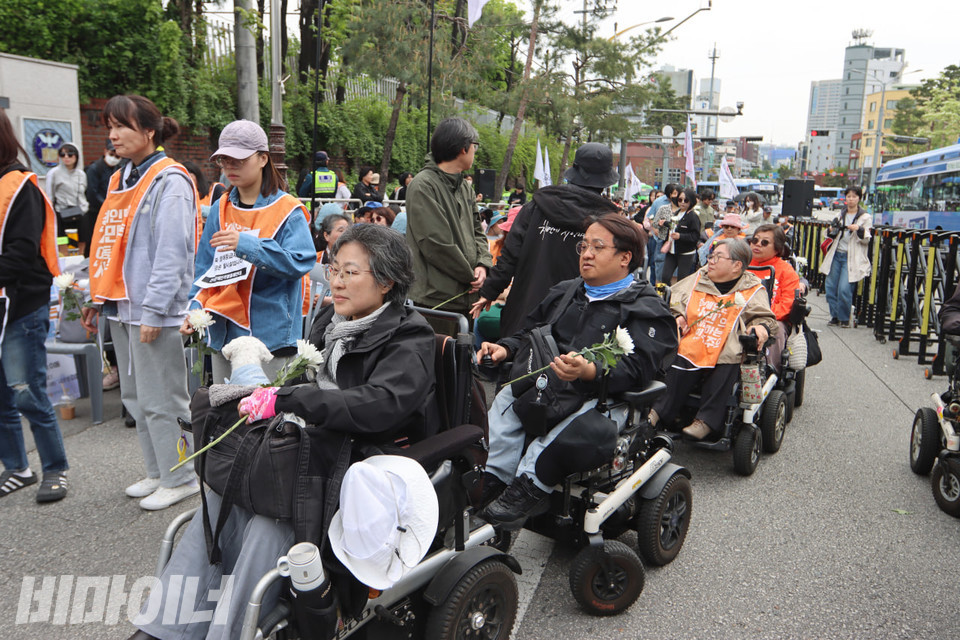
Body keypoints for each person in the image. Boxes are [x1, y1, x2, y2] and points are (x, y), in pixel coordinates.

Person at [128, 224, 438, 640]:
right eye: (334, 269)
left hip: (358, 456)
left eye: (350, 272)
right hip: (305, 444)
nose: (336, 282)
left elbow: (380, 404)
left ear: (386, 282)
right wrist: (276, 397)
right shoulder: (332, 318)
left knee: (272, 521)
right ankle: (166, 625)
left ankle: (231, 631)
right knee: (222, 496)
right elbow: (306, 382)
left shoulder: (410, 335)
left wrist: (291, 400)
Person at [476, 214, 677, 531]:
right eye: (584, 246)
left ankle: (528, 488)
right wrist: (506, 349)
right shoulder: (566, 291)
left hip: (604, 398)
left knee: (572, 427)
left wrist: (591, 370)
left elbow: (640, 367)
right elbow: (530, 331)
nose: (587, 254)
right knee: (505, 400)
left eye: (598, 247)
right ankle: (491, 482)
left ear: (625, 257)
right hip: (552, 386)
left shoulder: (646, 308)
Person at [80, 94, 200, 510]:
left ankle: (181, 475)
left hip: (153, 311)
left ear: (149, 131)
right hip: (120, 304)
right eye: (109, 126)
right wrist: (95, 296)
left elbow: (172, 252)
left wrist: (156, 309)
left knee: (165, 398)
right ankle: (158, 470)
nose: (112, 135)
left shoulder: (170, 180)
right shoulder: (121, 178)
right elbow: (107, 242)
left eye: (121, 126)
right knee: (137, 399)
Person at [185, 120, 316, 385]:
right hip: (224, 332)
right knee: (226, 405)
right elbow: (205, 269)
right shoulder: (221, 207)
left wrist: (246, 245)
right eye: (224, 159)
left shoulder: (288, 209)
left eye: (239, 159)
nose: (230, 166)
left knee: (266, 408)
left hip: (270, 337)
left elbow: (300, 262)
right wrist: (194, 308)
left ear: (263, 159)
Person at [469, 143, 620, 337]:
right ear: (606, 180)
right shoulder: (609, 222)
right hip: (577, 322)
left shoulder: (536, 207)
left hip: (524, 314)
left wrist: (490, 291)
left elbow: (509, 256)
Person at [0, 108, 70, 502]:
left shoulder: (20, 186)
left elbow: (22, 254)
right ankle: (17, 468)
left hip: (21, 306)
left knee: (27, 392)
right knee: (2, 397)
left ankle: (56, 469)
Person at [649, 239, 777, 440]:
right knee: (680, 355)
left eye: (718, 257)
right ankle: (657, 412)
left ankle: (706, 421)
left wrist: (760, 328)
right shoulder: (699, 278)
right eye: (710, 256)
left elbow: (765, 318)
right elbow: (673, 299)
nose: (711, 261)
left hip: (726, 343)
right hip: (695, 337)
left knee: (728, 357)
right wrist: (678, 316)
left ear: (736, 265)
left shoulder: (752, 288)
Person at [405, 117, 492, 315]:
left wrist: (483, 265)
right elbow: (435, 243)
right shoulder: (423, 185)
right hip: (435, 298)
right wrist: (471, 276)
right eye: (474, 146)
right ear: (463, 149)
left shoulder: (464, 187)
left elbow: (478, 231)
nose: (475, 151)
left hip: (467, 294)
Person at [749, 224, 801, 371]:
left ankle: (770, 369)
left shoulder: (786, 270)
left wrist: (764, 317)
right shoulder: (740, 264)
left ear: (777, 248)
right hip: (740, 315)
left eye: (764, 242)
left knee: (776, 329)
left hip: (772, 318)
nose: (758, 244)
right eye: (755, 240)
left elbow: (787, 303)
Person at [820, 185, 872, 327]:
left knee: (844, 289)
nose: (851, 199)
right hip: (836, 255)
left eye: (854, 196)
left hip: (851, 257)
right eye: (848, 196)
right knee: (830, 287)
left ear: (859, 199)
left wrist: (859, 229)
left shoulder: (865, 217)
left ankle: (844, 318)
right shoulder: (839, 215)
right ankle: (834, 316)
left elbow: (867, 239)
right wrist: (832, 229)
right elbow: (828, 235)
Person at [44, 142, 89, 251]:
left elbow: (83, 193)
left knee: (82, 240)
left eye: (70, 154)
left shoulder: (81, 174)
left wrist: (84, 208)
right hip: (61, 212)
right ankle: (65, 260)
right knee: (63, 242)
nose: (66, 157)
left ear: (76, 156)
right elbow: (49, 195)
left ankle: (80, 259)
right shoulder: (53, 173)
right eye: (62, 155)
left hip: (80, 211)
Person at [84, 139, 121, 257]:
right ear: (105, 151)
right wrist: (107, 205)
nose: (114, 158)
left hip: (112, 212)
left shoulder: (119, 169)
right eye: (111, 154)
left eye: (117, 156)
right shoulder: (94, 169)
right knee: (94, 241)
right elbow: (92, 193)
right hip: (96, 211)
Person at [660, 187, 702, 283]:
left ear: (691, 201)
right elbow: (674, 226)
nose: (682, 202)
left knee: (681, 280)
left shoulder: (693, 216)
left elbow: (695, 236)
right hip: (672, 250)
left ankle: (677, 293)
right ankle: (666, 292)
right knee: (665, 277)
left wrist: (680, 236)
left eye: (686, 200)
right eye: (680, 200)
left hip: (686, 252)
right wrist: (665, 223)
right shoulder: (677, 213)